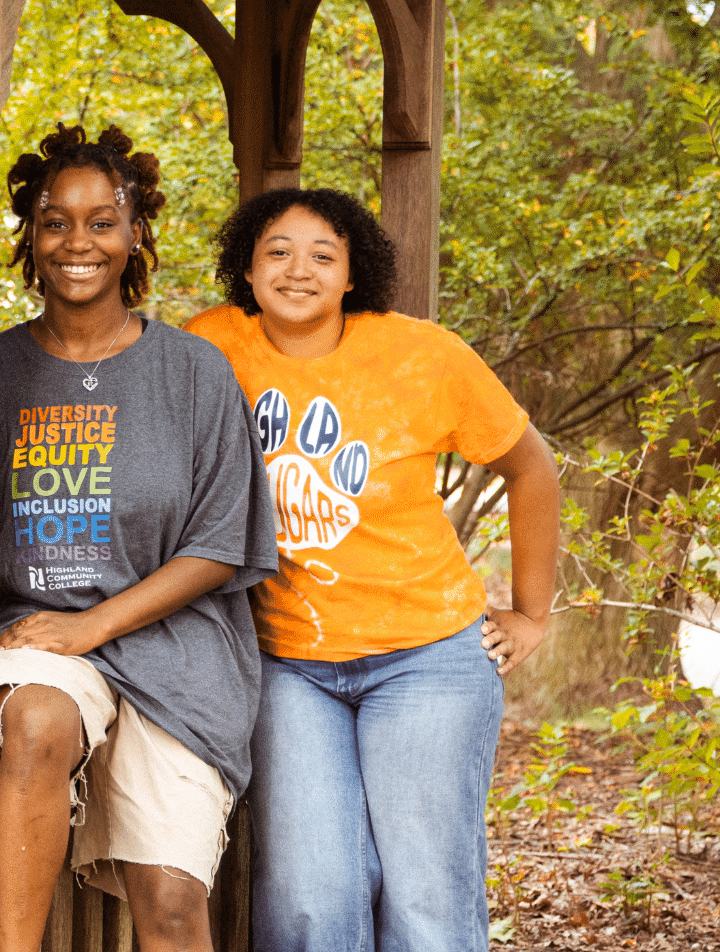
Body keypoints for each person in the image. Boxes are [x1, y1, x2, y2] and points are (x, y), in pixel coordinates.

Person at [187, 187, 560, 952]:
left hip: (427, 657)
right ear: (246, 271)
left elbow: (531, 467)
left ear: (352, 274)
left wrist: (529, 612)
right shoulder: (211, 345)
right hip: (287, 662)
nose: (298, 270)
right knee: (307, 898)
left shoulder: (421, 355)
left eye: (322, 255)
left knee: (426, 899)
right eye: (276, 252)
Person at [0, 124, 275, 952]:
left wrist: (94, 627)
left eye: (101, 221)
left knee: (172, 908)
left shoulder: (193, 370)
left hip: (176, 648)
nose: (77, 242)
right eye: (54, 222)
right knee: (39, 719)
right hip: (35, 632)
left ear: (135, 233)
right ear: (29, 238)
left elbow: (221, 541)